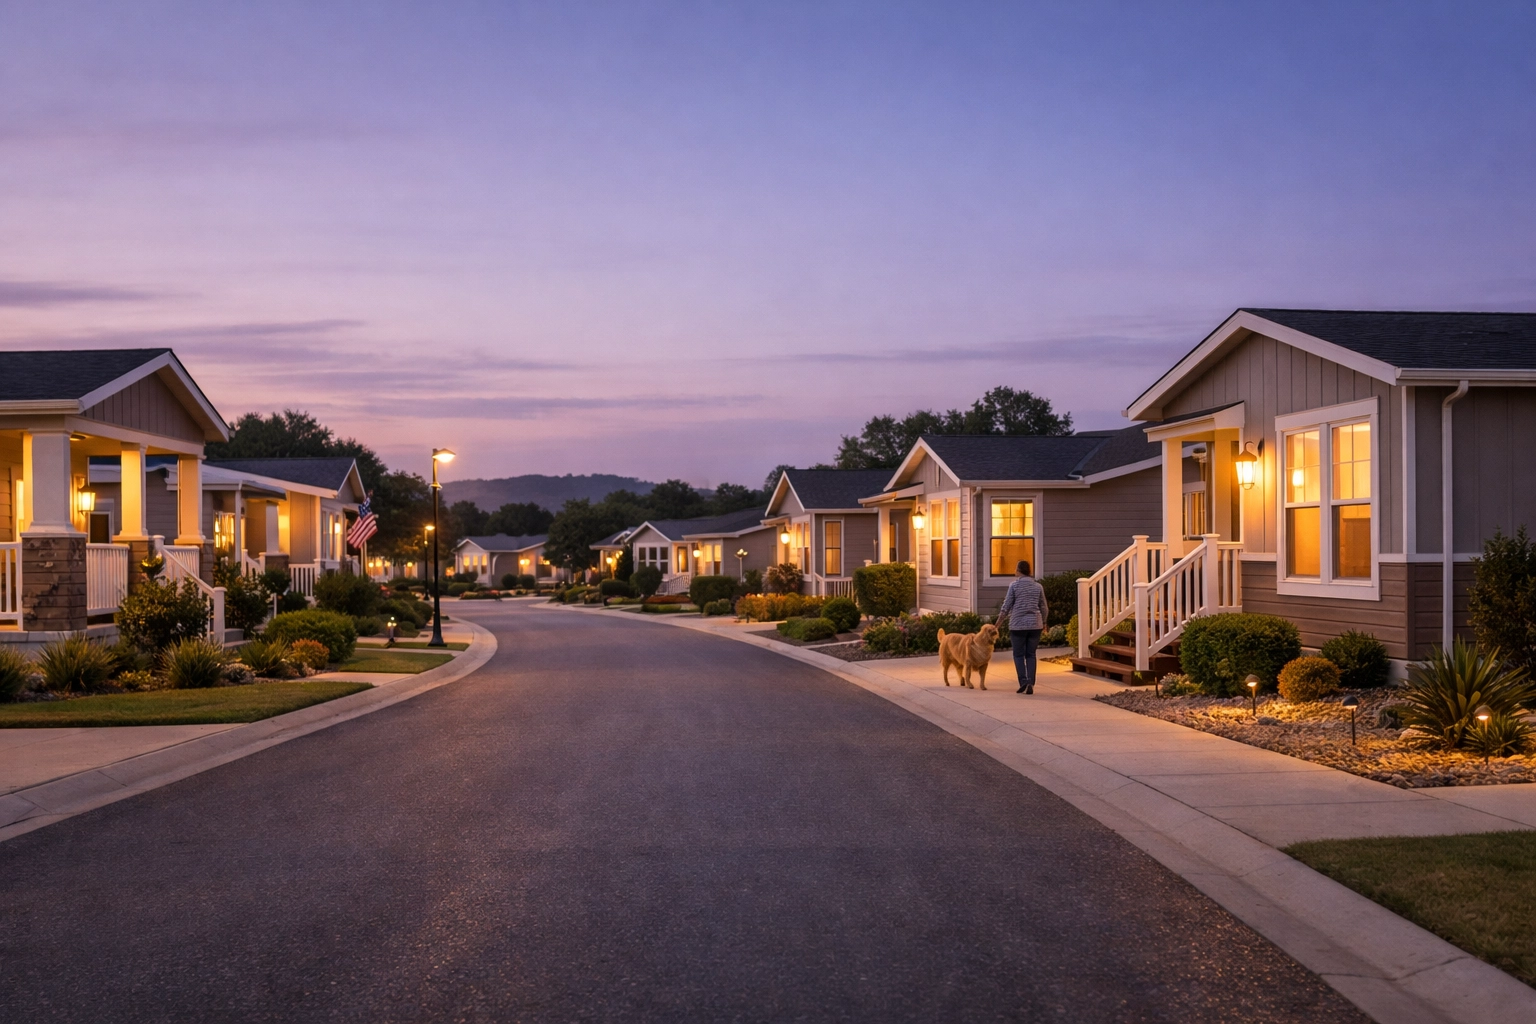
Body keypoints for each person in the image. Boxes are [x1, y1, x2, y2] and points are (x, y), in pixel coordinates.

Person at [997, 559, 1048, 694]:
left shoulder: (1014, 586)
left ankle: (1023, 681)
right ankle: (1031, 682)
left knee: (1018, 655)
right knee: (1031, 654)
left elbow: (1006, 606)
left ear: (1018, 570)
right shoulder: (1038, 586)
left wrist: (997, 624)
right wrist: (1044, 622)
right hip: (1035, 625)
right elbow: (1044, 607)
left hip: (1017, 625)